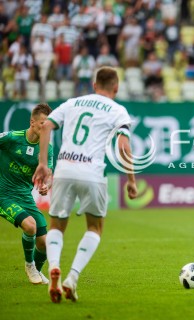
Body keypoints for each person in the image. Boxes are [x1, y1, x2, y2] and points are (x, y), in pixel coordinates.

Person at [32, 66, 138, 303]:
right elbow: (123, 147)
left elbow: (47, 125)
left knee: (57, 226)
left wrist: (43, 164)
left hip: (64, 169)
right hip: (92, 173)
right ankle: (72, 277)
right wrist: (131, 180)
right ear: (116, 87)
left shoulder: (73, 103)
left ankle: (54, 268)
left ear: (94, 85)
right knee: (94, 228)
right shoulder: (118, 110)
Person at [0, 103, 53, 284]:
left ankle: (36, 271)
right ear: (32, 122)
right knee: (30, 226)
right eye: (42, 123)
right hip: (3, 194)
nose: (45, 128)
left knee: (46, 243)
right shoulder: (12, 138)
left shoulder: (47, 148)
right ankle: (30, 266)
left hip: (25, 197)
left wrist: (46, 184)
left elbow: (48, 174)